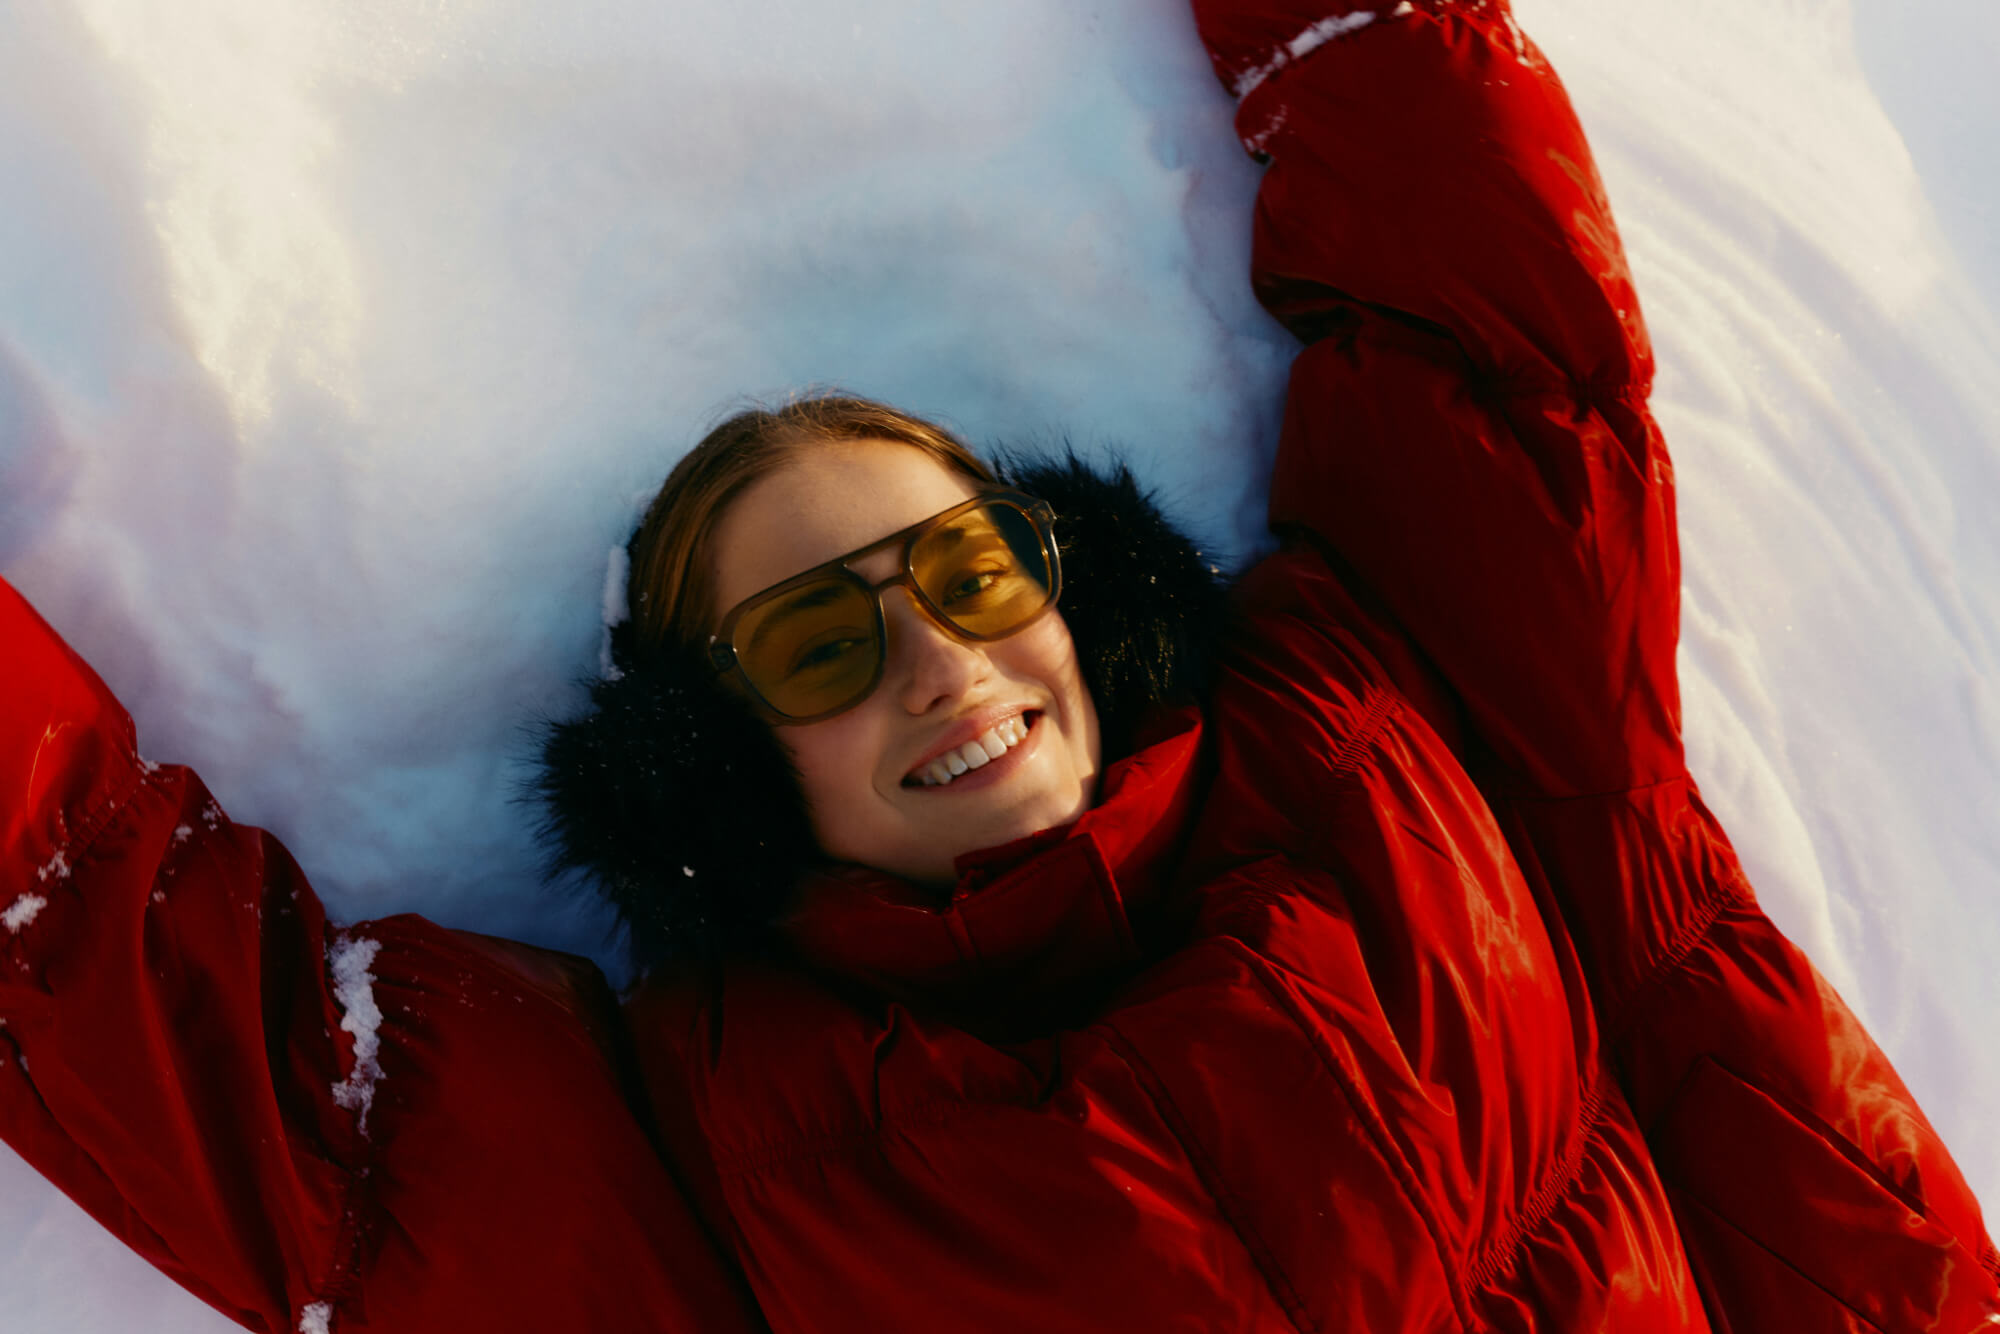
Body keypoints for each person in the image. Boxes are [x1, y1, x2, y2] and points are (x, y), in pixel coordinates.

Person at [2, 1, 1995, 1331]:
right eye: (810, 634)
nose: (932, 655)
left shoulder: (1405, 735)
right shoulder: (706, 1151)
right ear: (720, 761)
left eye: (963, 562)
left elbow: (1482, 328)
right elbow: (106, 963)